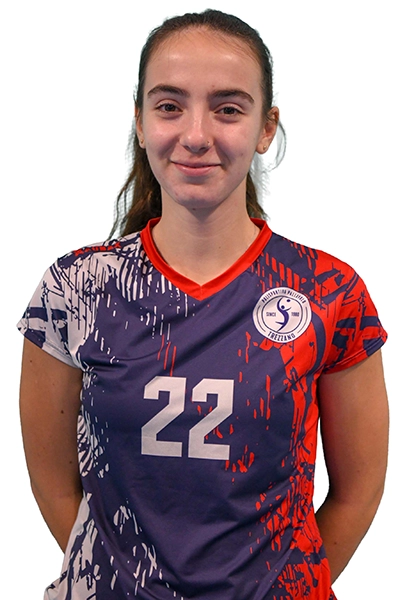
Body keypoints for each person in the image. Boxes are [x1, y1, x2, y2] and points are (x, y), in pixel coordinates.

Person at [18, 9, 388, 600]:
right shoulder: (75, 288)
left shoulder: (329, 291)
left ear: (266, 128)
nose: (195, 134)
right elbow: (56, 486)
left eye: (228, 109)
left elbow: (358, 491)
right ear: (139, 122)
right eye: (169, 106)